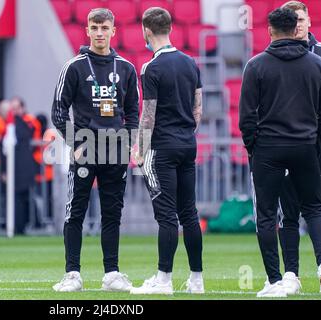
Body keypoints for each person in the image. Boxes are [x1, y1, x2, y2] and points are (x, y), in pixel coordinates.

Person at [51, 8, 139, 292]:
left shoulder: (126, 68)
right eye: (94, 27)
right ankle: (72, 274)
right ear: (87, 30)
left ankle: (111, 273)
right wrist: (76, 143)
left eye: (104, 28)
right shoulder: (74, 67)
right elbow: (58, 112)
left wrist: (130, 143)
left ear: (114, 30)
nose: (99, 33)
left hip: (115, 150)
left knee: (112, 213)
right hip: (85, 147)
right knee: (75, 211)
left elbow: (134, 111)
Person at [239, 8, 321, 298]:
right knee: (314, 208)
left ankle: (276, 281)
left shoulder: (256, 65)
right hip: (306, 147)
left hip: (269, 150)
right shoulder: (316, 64)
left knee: (267, 216)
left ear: (271, 31)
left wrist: (254, 148)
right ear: (295, 27)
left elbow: (246, 118)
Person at [130, 7, 204, 295]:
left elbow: (148, 114)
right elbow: (198, 108)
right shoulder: (190, 62)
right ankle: (196, 280)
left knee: (166, 217)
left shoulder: (152, 68)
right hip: (187, 144)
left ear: (146, 31)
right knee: (189, 213)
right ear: (171, 28)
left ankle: (163, 279)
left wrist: (139, 149)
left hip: (162, 147)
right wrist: (186, 133)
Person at [275, 1, 321, 295]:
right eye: (293, 20)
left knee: (317, 208)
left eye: (301, 18)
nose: (298, 24)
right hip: (290, 144)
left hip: (317, 145)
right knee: (288, 212)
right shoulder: (275, 58)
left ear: (308, 21)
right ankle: (291, 273)